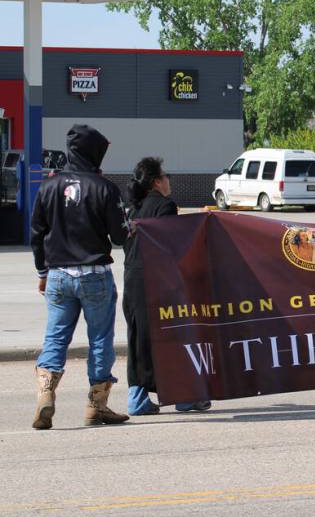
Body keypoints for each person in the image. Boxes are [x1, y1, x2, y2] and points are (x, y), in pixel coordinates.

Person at [30, 124, 129, 429]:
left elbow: (37, 233)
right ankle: (96, 406)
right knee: (100, 339)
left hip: (58, 274)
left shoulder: (48, 187)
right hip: (94, 275)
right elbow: (119, 236)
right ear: (93, 152)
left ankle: (45, 393)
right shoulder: (105, 188)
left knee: (56, 336)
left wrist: (43, 272)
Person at [123, 157, 211, 415]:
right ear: (156, 181)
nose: (169, 179)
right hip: (156, 280)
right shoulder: (165, 205)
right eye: (166, 175)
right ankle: (183, 396)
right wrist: (201, 222)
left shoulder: (133, 209)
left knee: (138, 338)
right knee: (172, 334)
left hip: (133, 278)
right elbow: (172, 243)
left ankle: (137, 398)